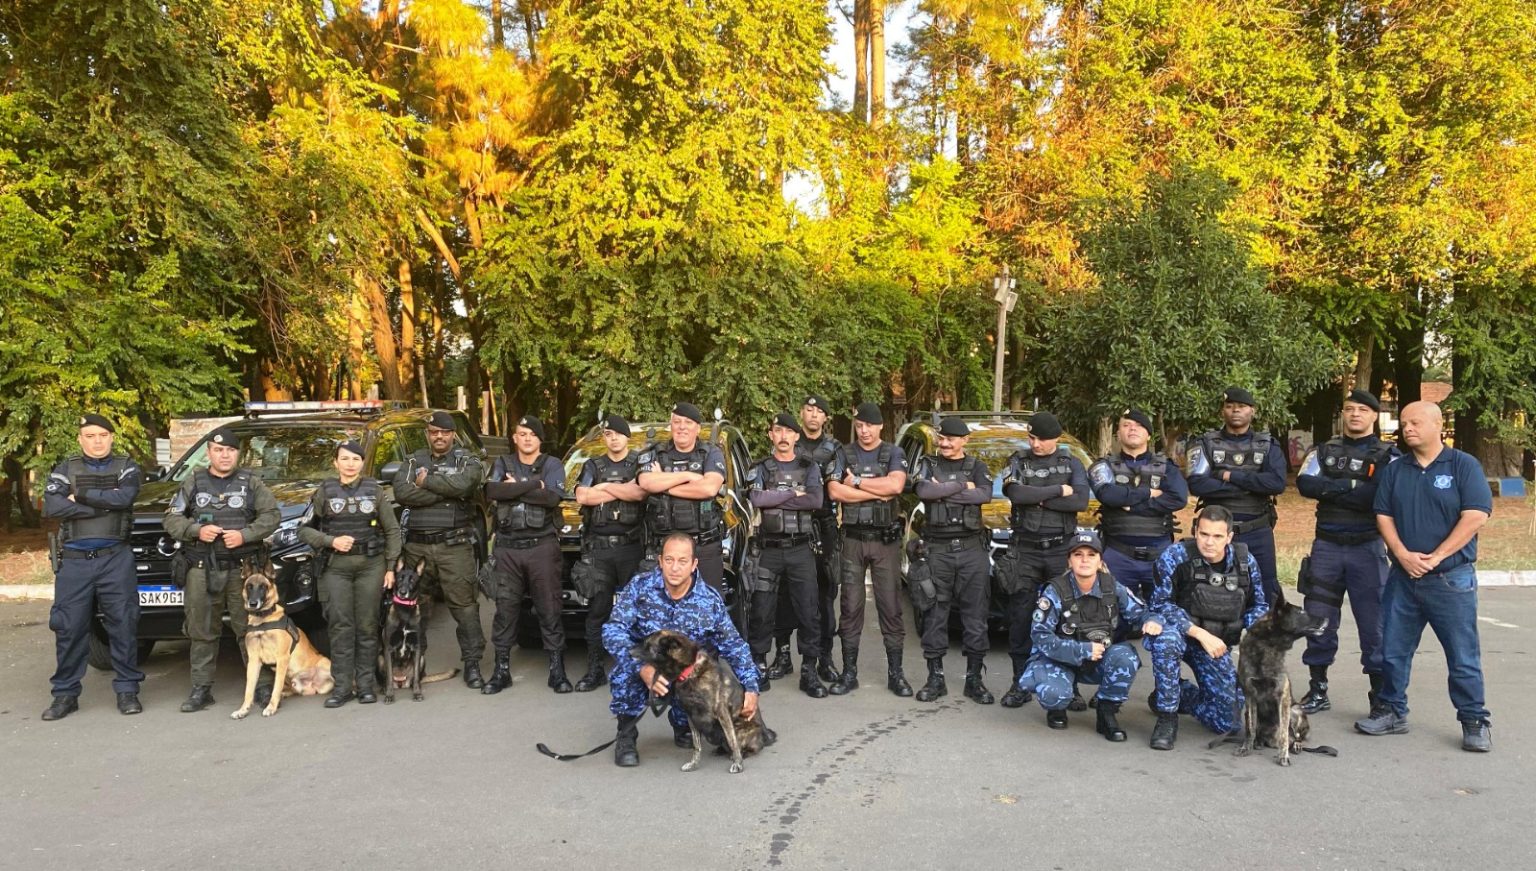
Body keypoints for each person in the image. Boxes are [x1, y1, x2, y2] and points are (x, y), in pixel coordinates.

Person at [1356, 401, 1494, 752]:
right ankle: (1392, 711)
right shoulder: (1396, 469)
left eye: (1415, 422)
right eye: (1404, 423)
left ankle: (1474, 720)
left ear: (1438, 424)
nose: (1408, 428)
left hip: (1450, 579)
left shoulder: (1463, 465)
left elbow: (1476, 515)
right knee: (1392, 651)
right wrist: (1402, 554)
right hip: (1403, 579)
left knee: (1462, 656)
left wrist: (1438, 556)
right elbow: (1383, 515)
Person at [602, 533, 760, 767]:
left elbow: (734, 646)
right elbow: (612, 630)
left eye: (682, 561)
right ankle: (626, 734)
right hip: (650, 666)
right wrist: (641, 667)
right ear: (660, 561)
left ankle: (682, 724)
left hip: (687, 675)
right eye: (669, 560)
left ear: (694, 564)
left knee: (706, 678)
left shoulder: (709, 601)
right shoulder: (640, 588)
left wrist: (751, 688)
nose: (675, 568)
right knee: (625, 673)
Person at [1294, 389, 1398, 714]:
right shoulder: (1323, 450)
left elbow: (1377, 496)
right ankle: (1318, 689)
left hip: (1367, 548)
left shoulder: (1389, 455)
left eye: (1362, 410)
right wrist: (1352, 486)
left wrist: (1331, 489)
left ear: (1374, 416)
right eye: (1350, 409)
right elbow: (1305, 484)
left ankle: (1379, 695)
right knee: (1318, 619)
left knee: (1374, 624)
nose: (1355, 415)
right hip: (1327, 546)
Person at [164, 426, 281, 713]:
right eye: (218, 450)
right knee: (201, 629)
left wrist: (245, 535)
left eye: (230, 450)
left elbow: (272, 516)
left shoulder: (251, 483)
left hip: (243, 572)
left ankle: (263, 687)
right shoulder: (194, 481)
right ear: (209, 453)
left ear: (238, 454)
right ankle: (201, 689)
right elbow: (171, 518)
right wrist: (196, 530)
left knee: (251, 628)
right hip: (201, 568)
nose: (224, 455)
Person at [40, 414, 145, 720]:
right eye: (90, 436)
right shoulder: (66, 468)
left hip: (116, 558)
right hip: (75, 561)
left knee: (123, 624)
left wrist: (81, 497)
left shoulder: (126, 466)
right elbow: (53, 506)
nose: (97, 441)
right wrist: (102, 506)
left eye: (102, 435)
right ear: (80, 439)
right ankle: (65, 695)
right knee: (68, 627)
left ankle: (127, 691)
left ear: (111, 437)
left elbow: (125, 498)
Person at [1145, 505, 1269, 750]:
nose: (1209, 542)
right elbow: (1160, 604)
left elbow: (1259, 605)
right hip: (1181, 634)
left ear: (1229, 537)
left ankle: (1181, 694)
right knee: (1167, 640)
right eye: (1204, 534)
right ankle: (1167, 717)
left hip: (1216, 643)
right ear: (1195, 531)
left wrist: (1253, 636)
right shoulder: (1175, 556)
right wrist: (1199, 633)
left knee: (1227, 722)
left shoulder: (1245, 562)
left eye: (1217, 536)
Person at [1020, 531, 1163, 740]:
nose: (1085, 560)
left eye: (1091, 554)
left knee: (1126, 657)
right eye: (1078, 554)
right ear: (1069, 560)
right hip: (1060, 660)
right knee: (1054, 694)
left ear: (1100, 561)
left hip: (1098, 659)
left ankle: (1106, 713)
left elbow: (1142, 612)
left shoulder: (1111, 586)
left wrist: (1151, 621)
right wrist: (1082, 650)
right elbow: (1041, 636)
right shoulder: (1055, 591)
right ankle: (1057, 708)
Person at [298, 440, 401, 707]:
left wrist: (391, 567)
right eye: (344, 458)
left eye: (356, 459)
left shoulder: (374, 491)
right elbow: (304, 530)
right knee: (340, 626)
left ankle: (366, 686)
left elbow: (392, 530)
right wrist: (330, 541)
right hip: (336, 568)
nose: (350, 464)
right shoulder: (325, 491)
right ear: (335, 462)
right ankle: (342, 687)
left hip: (371, 566)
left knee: (367, 626)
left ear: (362, 463)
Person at [998, 411, 1089, 708]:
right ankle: (1020, 683)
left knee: (1067, 618)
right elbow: (1016, 494)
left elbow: (1079, 501)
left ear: (1057, 439)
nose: (1035, 444)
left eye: (1041, 439)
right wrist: (1057, 490)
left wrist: (1036, 497)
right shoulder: (1018, 460)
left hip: (1061, 550)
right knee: (1021, 617)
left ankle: (1070, 685)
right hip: (1025, 550)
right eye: (1031, 438)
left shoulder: (1072, 463)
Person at [393, 411, 486, 689]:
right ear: (427, 434)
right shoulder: (413, 461)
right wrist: (448, 492)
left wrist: (426, 482)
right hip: (417, 547)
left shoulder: (467, 460)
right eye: (434, 432)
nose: (439, 437)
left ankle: (472, 664)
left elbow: (465, 484)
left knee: (464, 607)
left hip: (453, 546)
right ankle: (414, 662)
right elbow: (402, 492)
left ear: (453, 434)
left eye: (444, 432)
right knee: (413, 608)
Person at [825, 402, 911, 696]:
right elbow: (835, 491)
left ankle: (896, 674)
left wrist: (857, 483)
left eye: (869, 426)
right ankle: (849, 673)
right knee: (850, 608)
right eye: (859, 426)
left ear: (880, 426)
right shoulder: (843, 453)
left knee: (891, 607)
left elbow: (895, 487)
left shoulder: (894, 453)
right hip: (853, 539)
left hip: (885, 540)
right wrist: (876, 491)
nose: (864, 431)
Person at [484, 415, 569, 694]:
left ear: (540, 439)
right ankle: (501, 671)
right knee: (505, 610)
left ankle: (557, 671)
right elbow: (492, 490)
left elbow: (552, 498)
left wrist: (513, 488)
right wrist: (533, 485)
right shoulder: (502, 462)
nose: (527, 438)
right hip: (508, 548)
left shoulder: (552, 464)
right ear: (514, 437)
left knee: (549, 609)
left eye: (533, 434)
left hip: (541, 547)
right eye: (522, 433)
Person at [913, 416, 995, 704]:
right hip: (937, 550)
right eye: (942, 438)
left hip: (972, 550)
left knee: (976, 616)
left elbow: (984, 495)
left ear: (964, 440)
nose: (944, 443)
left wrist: (944, 491)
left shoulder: (977, 466)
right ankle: (935, 679)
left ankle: (974, 679)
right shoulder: (928, 463)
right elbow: (925, 491)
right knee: (934, 614)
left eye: (951, 439)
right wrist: (962, 485)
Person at [746, 414, 828, 698]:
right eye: (777, 430)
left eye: (788, 431)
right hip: (768, 550)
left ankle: (809, 670)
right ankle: (758, 665)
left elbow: (816, 500)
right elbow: (757, 499)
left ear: (796, 436)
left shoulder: (809, 467)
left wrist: (776, 496)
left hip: (801, 549)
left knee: (808, 610)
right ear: (771, 435)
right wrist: (794, 493)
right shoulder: (761, 467)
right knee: (761, 609)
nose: (782, 436)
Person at [1186, 387, 1287, 603]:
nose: (1235, 410)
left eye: (1241, 406)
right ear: (1223, 411)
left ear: (1252, 411)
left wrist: (1229, 476)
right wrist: (1251, 485)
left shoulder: (1267, 445)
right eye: (1230, 406)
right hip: (1215, 534)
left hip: (1257, 531)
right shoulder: (1205, 443)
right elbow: (1197, 484)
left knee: (1266, 592)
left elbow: (1276, 483)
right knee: (1210, 593)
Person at [572, 414, 648, 692]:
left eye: (617, 434)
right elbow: (583, 496)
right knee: (597, 611)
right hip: (600, 550)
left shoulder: (639, 463)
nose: (613, 438)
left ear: (627, 437)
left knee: (637, 612)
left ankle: (637, 671)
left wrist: (603, 487)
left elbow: (640, 493)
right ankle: (595, 669)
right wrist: (622, 490)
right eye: (608, 434)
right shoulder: (593, 465)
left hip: (632, 548)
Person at [1089, 407, 1188, 603]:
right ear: (1118, 434)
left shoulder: (1166, 467)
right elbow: (1107, 495)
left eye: (1139, 426)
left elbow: (1178, 498)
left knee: (1163, 612)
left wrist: (1132, 506)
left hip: (1159, 554)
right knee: (1112, 611)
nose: (1132, 429)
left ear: (1149, 435)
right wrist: (1148, 493)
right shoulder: (1104, 465)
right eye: (1126, 425)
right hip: (1118, 555)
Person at [637, 403, 729, 593]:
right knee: (661, 606)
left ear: (697, 428)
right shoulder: (655, 453)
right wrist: (687, 476)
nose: (682, 427)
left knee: (707, 604)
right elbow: (646, 483)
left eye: (688, 422)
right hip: (665, 549)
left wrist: (664, 485)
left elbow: (709, 488)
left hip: (704, 547)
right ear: (671, 425)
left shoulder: (711, 453)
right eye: (677, 422)